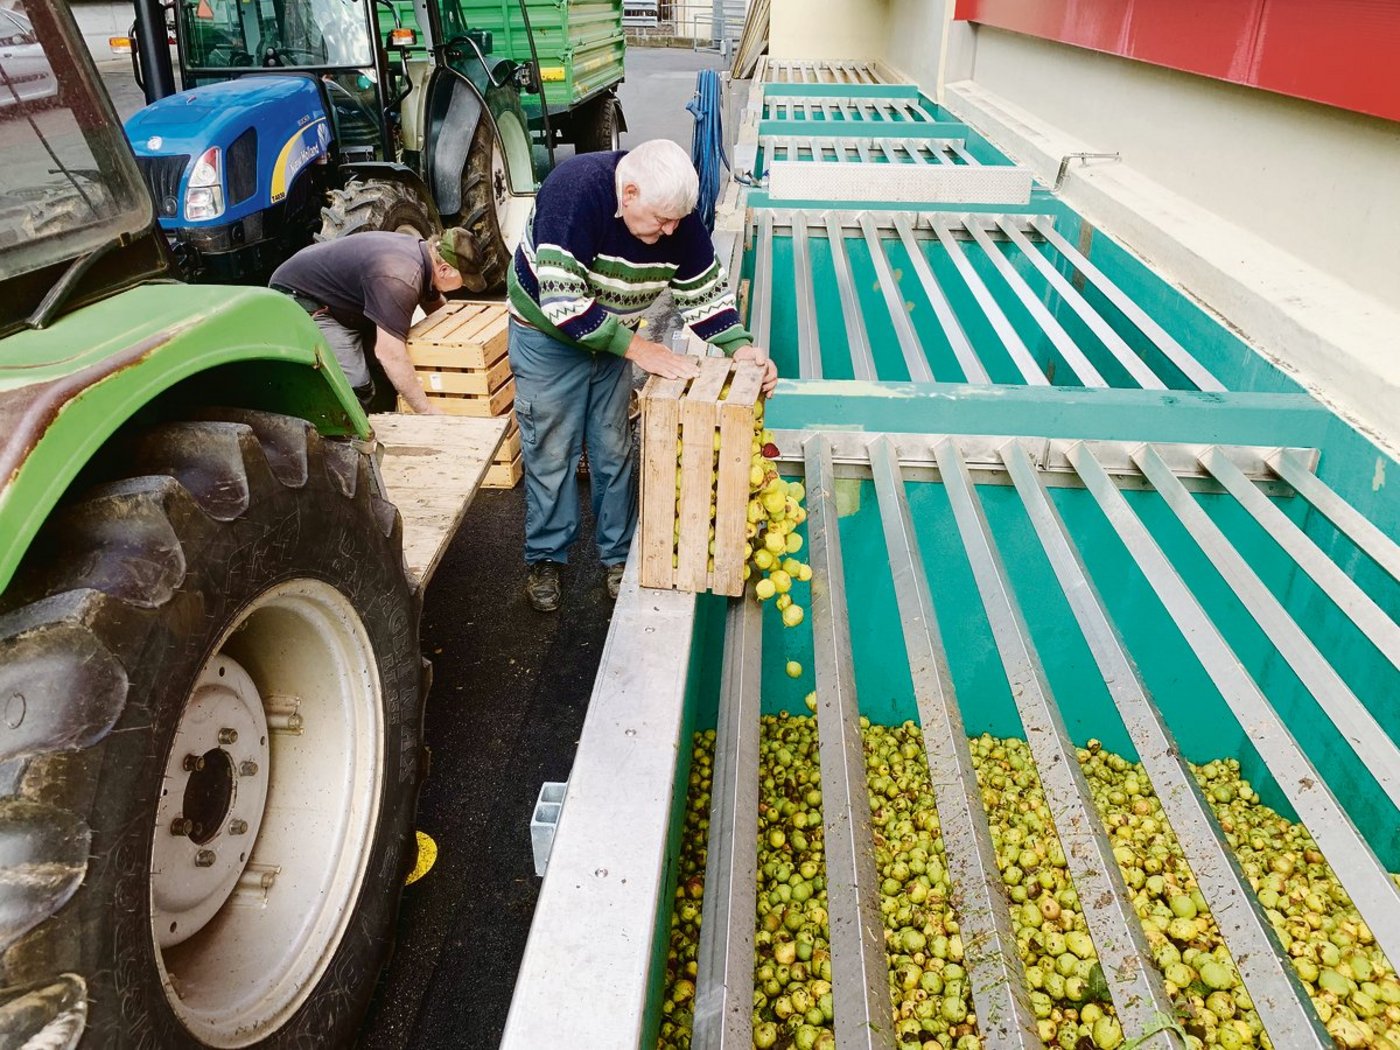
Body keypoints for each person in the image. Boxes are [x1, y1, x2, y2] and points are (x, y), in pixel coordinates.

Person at [508, 138, 778, 613]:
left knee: (614, 450)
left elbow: (704, 293)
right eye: (661, 220)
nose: (671, 229)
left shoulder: (675, 215)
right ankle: (547, 558)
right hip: (548, 339)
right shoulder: (573, 193)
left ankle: (618, 557)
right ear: (628, 194)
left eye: (677, 219)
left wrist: (742, 349)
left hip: (611, 341)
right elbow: (563, 303)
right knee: (551, 452)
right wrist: (643, 351)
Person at [270, 227, 485, 413]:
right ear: (445, 270)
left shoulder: (424, 255)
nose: (465, 285)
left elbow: (434, 304)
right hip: (305, 298)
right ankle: (345, 445)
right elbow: (389, 353)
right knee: (357, 386)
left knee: (385, 376)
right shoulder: (399, 278)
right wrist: (426, 409)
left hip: (341, 298)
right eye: (464, 281)